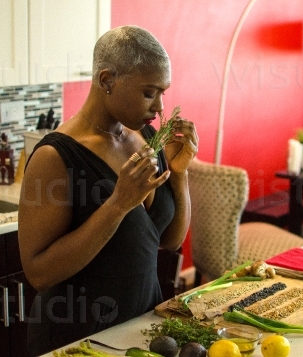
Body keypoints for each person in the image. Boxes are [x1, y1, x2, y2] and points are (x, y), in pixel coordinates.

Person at [18, 25, 198, 356]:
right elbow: (39, 274)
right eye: (149, 93)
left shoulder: (144, 138)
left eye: (162, 93)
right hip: (78, 338)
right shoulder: (53, 157)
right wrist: (117, 205)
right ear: (106, 80)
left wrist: (180, 174)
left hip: (139, 330)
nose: (159, 109)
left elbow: (168, 240)